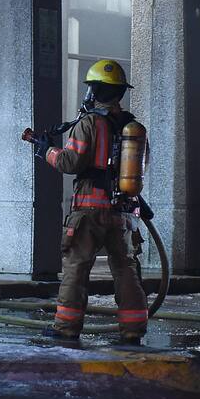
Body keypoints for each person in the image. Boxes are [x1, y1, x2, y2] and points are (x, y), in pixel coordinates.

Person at [22, 59, 147, 345]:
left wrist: (46, 151)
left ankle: (66, 327)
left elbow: (70, 162)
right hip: (124, 211)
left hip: (89, 211)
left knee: (76, 268)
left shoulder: (89, 123)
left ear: (96, 91)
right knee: (126, 270)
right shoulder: (133, 128)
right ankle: (133, 331)